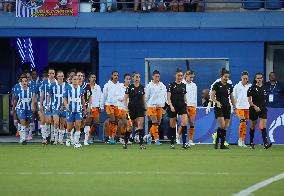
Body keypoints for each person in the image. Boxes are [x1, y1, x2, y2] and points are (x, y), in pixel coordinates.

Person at [211, 69, 236, 149]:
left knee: (225, 126)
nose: (226, 78)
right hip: (219, 107)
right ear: (221, 76)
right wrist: (217, 102)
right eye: (225, 77)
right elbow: (212, 96)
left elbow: (232, 97)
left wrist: (234, 106)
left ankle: (222, 144)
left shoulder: (229, 86)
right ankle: (217, 141)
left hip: (227, 107)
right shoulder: (216, 84)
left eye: (228, 77)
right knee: (221, 125)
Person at [248, 73, 272, 149]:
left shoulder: (265, 87)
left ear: (262, 79)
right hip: (253, 109)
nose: (259, 79)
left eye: (260, 78)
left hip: (263, 109)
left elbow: (267, 98)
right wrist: (255, 106)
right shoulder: (251, 88)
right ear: (255, 79)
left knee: (263, 126)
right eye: (258, 78)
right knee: (253, 126)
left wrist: (265, 105)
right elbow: (249, 100)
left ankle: (265, 143)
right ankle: (251, 142)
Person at [167, 68, 189, 149]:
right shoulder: (171, 85)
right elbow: (168, 98)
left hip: (182, 107)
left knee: (184, 123)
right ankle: (172, 143)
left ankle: (184, 143)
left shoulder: (184, 85)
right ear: (175, 76)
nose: (180, 77)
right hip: (173, 107)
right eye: (178, 75)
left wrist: (186, 106)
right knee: (172, 125)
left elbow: (185, 97)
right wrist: (171, 106)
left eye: (181, 76)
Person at [124, 72, 146, 149]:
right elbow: (125, 98)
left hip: (140, 109)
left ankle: (141, 144)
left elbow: (144, 99)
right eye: (136, 77)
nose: (137, 78)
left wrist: (145, 108)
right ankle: (125, 143)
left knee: (140, 125)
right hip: (131, 110)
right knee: (129, 128)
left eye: (139, 77)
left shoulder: (142, 87)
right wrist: (126, 108)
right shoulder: (129, 87)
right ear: (133, 78)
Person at [145, 70, 167, 145]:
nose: (157, 78)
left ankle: (149, 136)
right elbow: (146, 97)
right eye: (156, 76)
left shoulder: (162, 85)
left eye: (158, 76)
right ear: (153, 76)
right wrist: (145, 107)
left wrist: (165, 107)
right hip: (151, 106)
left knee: (157, 123)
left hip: (160, 106)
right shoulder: (149, 86)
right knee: (154, 122)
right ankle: (156, 140)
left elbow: (165, 97)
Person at [64, 74, 86, 148]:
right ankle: (68, 139)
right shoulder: (68, 87)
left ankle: (76, 142)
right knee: (69, 127)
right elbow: (64, 98)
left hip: (78, 110)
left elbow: (82, 99)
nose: (76, 80)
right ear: (71, 80)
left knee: (78, 126)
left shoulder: (81, 89)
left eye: (77, 79)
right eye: (74, 79)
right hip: (70, 110)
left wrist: (84, 109)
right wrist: (66, 106)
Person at [13, 74, 36, 144]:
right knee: (22, 122)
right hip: (20, 108)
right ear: (21, 82)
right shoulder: (18, 90)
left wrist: (33, 106)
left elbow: (33, 99)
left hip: (29, 109)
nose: (24, 82)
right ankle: (22, 139)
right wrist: (13, 109)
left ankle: (24, 135)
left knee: (26, 123)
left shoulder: (31, 90)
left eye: (25, 81)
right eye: (23, 81)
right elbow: (15, 100)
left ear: (27, 81)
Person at [176, 70, 197, 146]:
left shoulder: (194, 85)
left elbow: (194, 96)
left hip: (192, 106)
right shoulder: (182, 84)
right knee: (184, 122)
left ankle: (190, 140)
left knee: (192, 123)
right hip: (184, 106)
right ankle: (177, 137)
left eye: (193, 77)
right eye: (190, 77)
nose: (191, 79)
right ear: (186, 76)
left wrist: (195, 106)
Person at [233, 71, 251, 147]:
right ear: (241, 78)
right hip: (239, 107)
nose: (245, 80)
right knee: (243, 121)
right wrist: (234, 107)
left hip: (247, 107)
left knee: (245, 124)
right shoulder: (237, 86)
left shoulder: (250, 86)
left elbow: (251, 98)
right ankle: (240, 139)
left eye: (246, 78)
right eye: (244, 78)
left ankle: (243, 140)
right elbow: (234, 97)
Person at [48, 70, 66, 145]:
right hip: (55, 106)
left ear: (63, 76)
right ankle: (55, 139)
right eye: (59, 76)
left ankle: (60, 140)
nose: (60, 77)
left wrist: (64, 105)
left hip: (64, 107)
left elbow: (67, 96)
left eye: (62, 76)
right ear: (57, 77)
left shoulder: (66, 85)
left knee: (62, 123)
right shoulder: (53, 85)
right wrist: (48, 105)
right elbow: (49, 95)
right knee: (56, 122)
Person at [102, 71, 121, 144]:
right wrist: (101, 105)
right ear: (112, 76)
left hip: (117, 105)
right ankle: (109, 136)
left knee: (116, 121)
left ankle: (112, 137)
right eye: (115, 75)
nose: (116, 76)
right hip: (109, 105)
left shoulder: (119, 85)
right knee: (112, 120)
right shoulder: (107, 85)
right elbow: (104, 96)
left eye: (117, 75)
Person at [40, 68, 57, 144]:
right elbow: (42, 94)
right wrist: (40, 104)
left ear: (55, 74)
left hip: (55, 104)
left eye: (53, 73)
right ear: (48, 74)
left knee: (53, 121)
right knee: (46, 121)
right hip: (46, 104)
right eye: (50, 73)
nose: (51, 75)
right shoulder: (44, 82)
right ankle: (45, 137)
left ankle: (52, 138)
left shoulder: (57, 83)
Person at [86, 73, 103, 145]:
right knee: (88, 123)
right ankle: (87, 138)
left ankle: (90, 135)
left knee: (96, 122)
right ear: (89, 78)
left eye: (95, 77)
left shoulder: (98, 87)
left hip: (96, 107)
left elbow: (101, 97)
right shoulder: (86, 86)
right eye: (92, 77)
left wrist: (101, 106)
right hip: (88, 107)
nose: (94, 78)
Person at [117, 73, 131, 144]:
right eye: (127, 79)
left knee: (127, 124)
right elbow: (118, 97)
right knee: (125, 123)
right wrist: (124, 97)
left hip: (129, 109)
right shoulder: (120, 87)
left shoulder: (131, 88)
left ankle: (124, 138)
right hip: (121, 108)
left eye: (129, 79)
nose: (128, 80)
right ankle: (121, 138)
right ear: (124, 79)